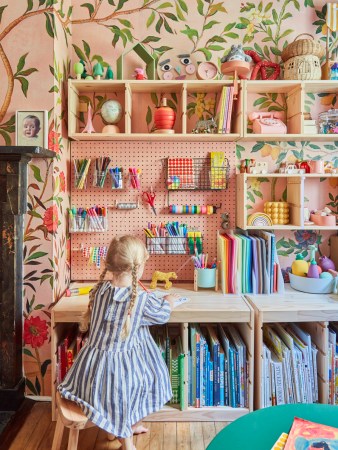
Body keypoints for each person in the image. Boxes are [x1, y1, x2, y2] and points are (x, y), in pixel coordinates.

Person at [58, 235, 180, 450]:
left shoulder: (100, 290)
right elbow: (161, 316)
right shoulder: (140, 299)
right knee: (149, 377)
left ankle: (120, 427)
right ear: (139, 268)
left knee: (135, 379)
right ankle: (128, 440)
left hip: (87, 373)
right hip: (114, 376)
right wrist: (169, 301)